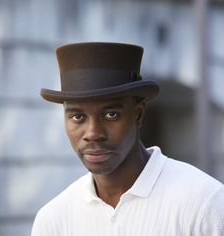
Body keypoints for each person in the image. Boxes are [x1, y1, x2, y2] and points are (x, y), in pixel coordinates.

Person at [31, 42, 224, 236]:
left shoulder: (203, 204)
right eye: (77, 117)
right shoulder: (52, 221)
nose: (93, 133)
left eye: (111, 115)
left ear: (138, 114)